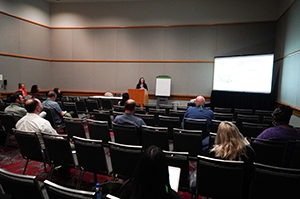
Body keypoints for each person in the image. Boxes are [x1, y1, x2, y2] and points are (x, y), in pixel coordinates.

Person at [190, 121, 255, 196]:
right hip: (240, 193)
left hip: (215, 191)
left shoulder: (212, 153)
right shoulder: (249, 153)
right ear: (238, 135)